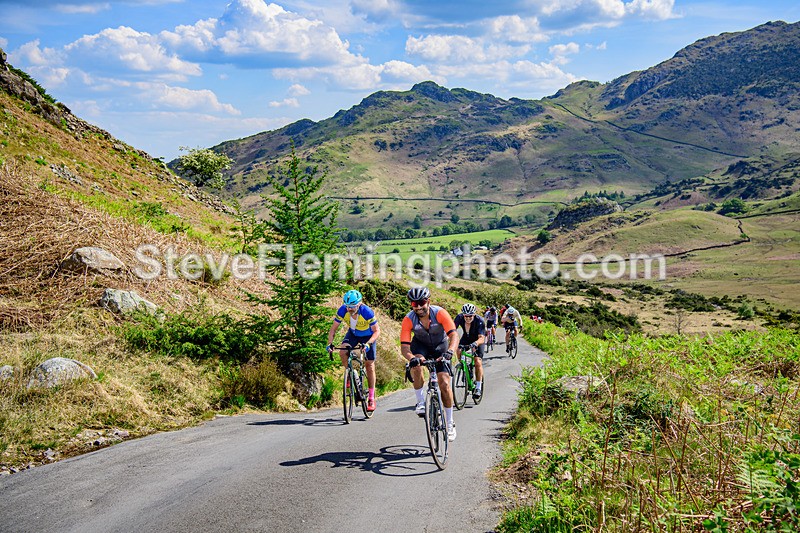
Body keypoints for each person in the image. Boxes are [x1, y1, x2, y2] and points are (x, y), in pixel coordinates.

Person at [400, 286, 460, 441]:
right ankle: (420, 402)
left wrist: (451, 351)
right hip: (421, 347)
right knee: (416, 364)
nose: (419, 306)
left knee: (444, 384)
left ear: (428, 301)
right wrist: (411, 357)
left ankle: (450, 422)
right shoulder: (408, 319)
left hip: (441, 346)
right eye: (414, 304)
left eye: (422, 302)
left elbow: (454, 335)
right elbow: (405, 346)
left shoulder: (440, 313)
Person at [326, 289, 381, 411]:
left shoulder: (367, 312)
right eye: (347, 306)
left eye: (352, 307)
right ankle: (350, 374)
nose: (349, 309)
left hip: (368, 336)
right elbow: (333, 329)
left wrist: (368, 344)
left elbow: (377, 331)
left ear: (359, 304)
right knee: (342, 352)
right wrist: (330, 344)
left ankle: (371, 397)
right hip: (353, 334)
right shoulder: (342, 310)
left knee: (369, 365)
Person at [454, 303, 486, 399]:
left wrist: (476, 344)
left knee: (477, 361)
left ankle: (478, 387)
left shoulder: (479, 321)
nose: (468, 318)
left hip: (477, 340)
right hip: (466, 338)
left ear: (474, 314)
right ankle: (465, 368)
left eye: (470, 316)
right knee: (459, 351)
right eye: (466, 316)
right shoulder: (459, 318)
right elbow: (452, 330)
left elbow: (482, 338)